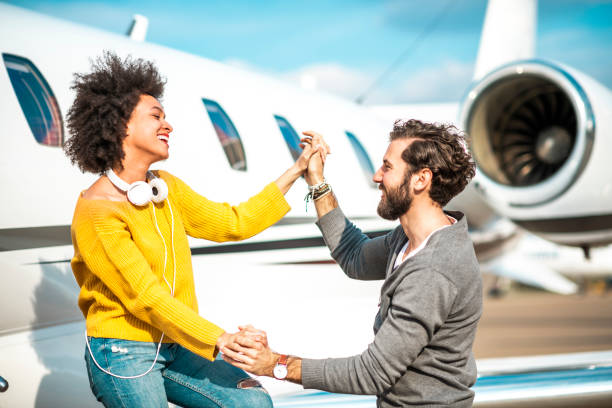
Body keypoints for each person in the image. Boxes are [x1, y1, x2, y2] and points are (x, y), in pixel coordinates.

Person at [64, 51, 325, 408]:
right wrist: (220, 339)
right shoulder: (97, 211)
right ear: (119, 125)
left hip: (175, 343)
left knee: (252, 403)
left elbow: (234, 221)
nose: (168, 126)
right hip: (123, 351)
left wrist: (296, 170)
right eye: (155, 116)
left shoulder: (166, 189)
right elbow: (148, 297)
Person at [222, 120, 483, 407]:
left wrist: (275, 364)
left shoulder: (433, 269)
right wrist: (317, 181)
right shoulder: (409, 240)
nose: (376, 176)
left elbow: (372, 373)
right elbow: (353, 255)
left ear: (421, 179)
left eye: (387, 167)